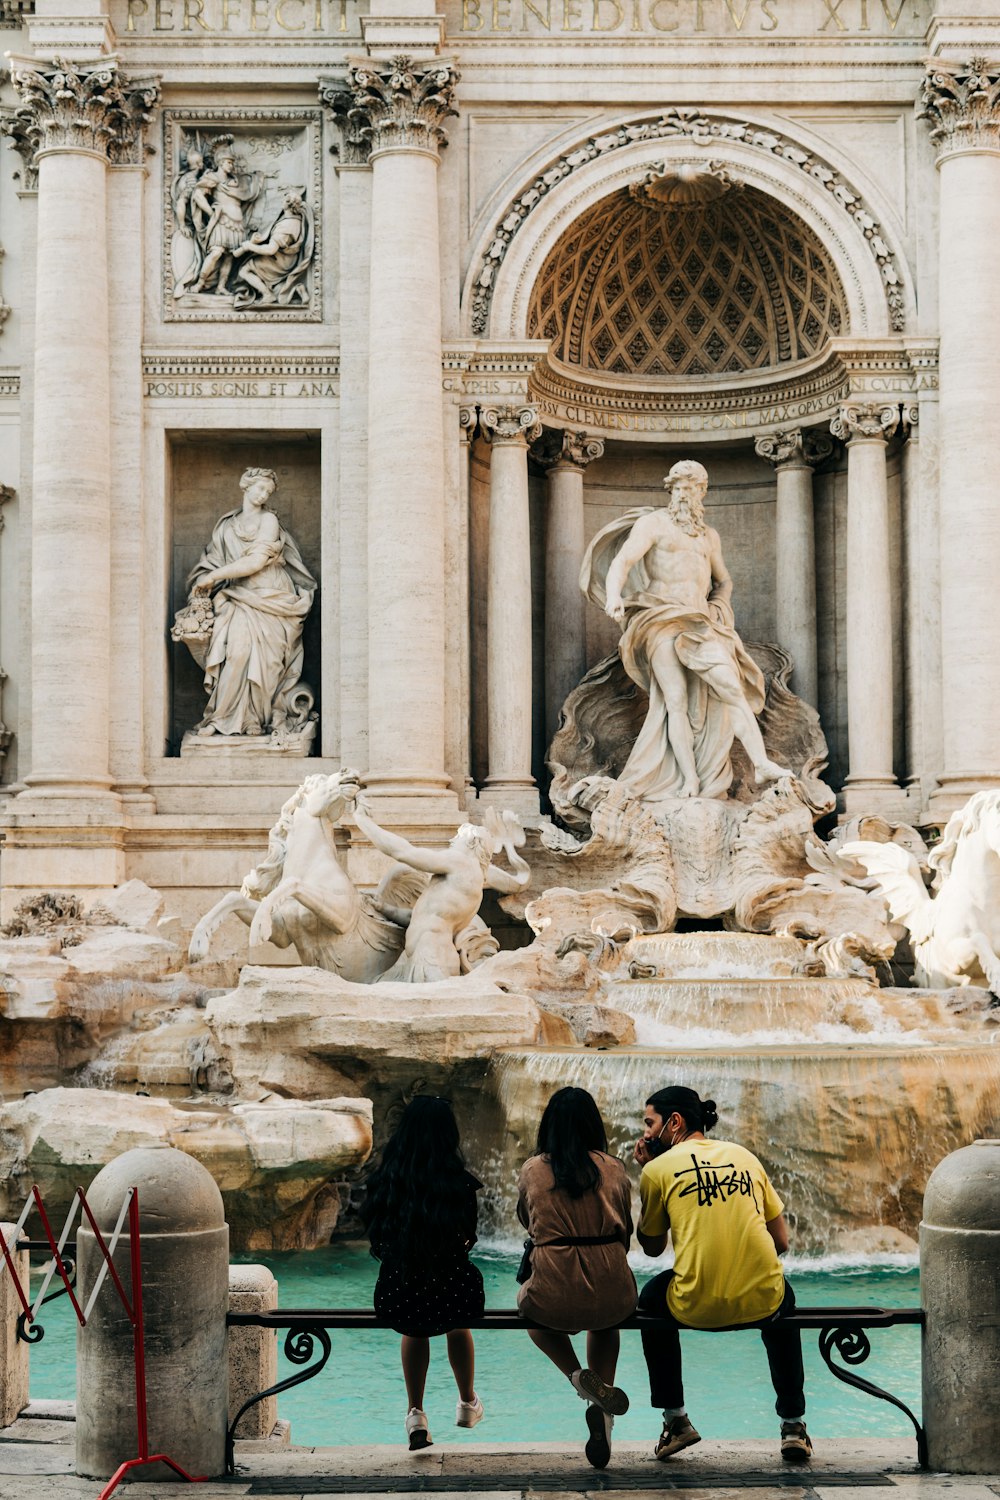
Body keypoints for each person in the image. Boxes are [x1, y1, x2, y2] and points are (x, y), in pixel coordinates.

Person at [580, 459, 790, 801]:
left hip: (700, 623)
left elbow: (724, 580)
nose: (683, 494)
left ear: (701, 493)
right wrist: (615, 595)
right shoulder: (654, 524)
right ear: (670, 490)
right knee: (673, 701)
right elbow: (623, 560)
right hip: (660, 619)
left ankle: (762, 763)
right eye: (677, 487)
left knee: (731, 688)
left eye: (690, 488)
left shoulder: (709, 537)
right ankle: (688, 780)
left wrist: (718, 606)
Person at [634, 1085, 811, 1464]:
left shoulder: (657, 1170)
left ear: (674, 1122)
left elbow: (651, 1247)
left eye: (650, 1123)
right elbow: (781, 1241)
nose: (646, 1133)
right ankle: (794, 1425)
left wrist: (648, 1172)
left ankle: (676, 1421)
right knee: (784, 1295)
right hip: (763, 1302)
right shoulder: (744, 1156)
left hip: (692, 1303)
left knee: (649, 1298)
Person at [517, 1087, 637, 1470]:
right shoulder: (614, 1167)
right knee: (606, 1322)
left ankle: (577, 1375)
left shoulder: (534, 1169)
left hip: (555, 1286)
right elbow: (626, 1230)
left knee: (530, 1315)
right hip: (612, 1287)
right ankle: (603, 1413)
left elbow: (528, 1221)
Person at [360, 1097, 486, 1450]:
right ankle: (466, 1401)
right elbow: (468, 1239)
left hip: (397, 1293)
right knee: (457, 1318)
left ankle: (416, 1413)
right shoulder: (460, 1184)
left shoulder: (387, 1180)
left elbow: (378, 1236)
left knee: (414, 1324)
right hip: (453, 1292)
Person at [184, 467, 316, 738]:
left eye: (269, 491)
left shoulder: (269, 520)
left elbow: (255, 562)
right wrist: (211, 583)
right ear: (246, 486)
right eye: (260, 488)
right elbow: (214, 560)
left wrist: (214, 577)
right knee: (237, 652)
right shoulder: (226, 526)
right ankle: (221, 718)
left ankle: (254, 720)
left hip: (271, 597)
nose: (264, 494)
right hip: (238, 597)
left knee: (267, 662)